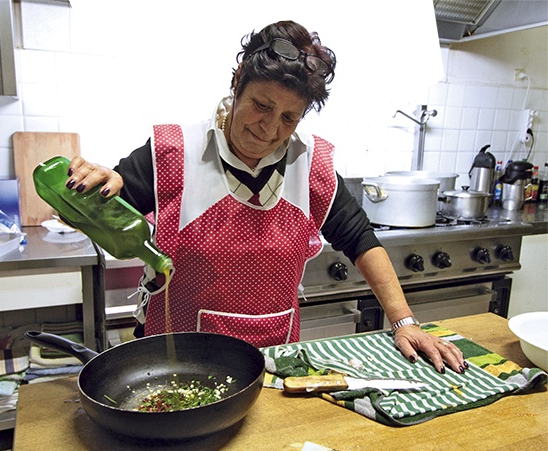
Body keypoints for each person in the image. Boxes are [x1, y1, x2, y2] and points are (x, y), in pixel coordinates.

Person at [66, 20, 467, 374]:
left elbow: (360, 238)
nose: (270, 129)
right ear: (238, 79)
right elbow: (96, 212)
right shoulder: (173, 152)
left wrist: (404, 322)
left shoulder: (310, 164)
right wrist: (81, 193)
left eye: (289, 118)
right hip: (175, 361)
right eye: (262, 105)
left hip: (275, 360)